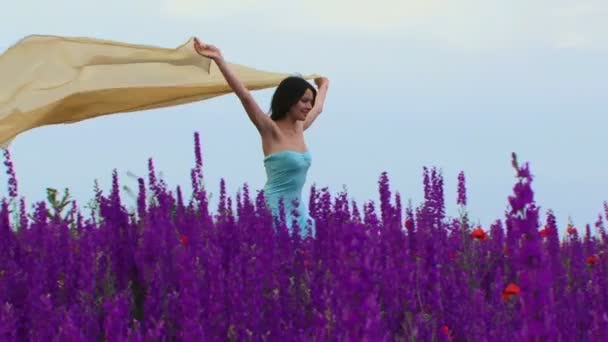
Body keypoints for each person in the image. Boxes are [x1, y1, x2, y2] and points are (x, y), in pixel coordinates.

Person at [193, 38, 329, 236]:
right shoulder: (270, 129)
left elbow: (319, 109)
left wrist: (324, 85)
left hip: (299, 210)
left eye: (310, 101)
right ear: (290, 101)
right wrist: (219, 59)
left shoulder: (300, 127)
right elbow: (245, 97)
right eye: (304, 101)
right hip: (275, 210)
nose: (308, 106)